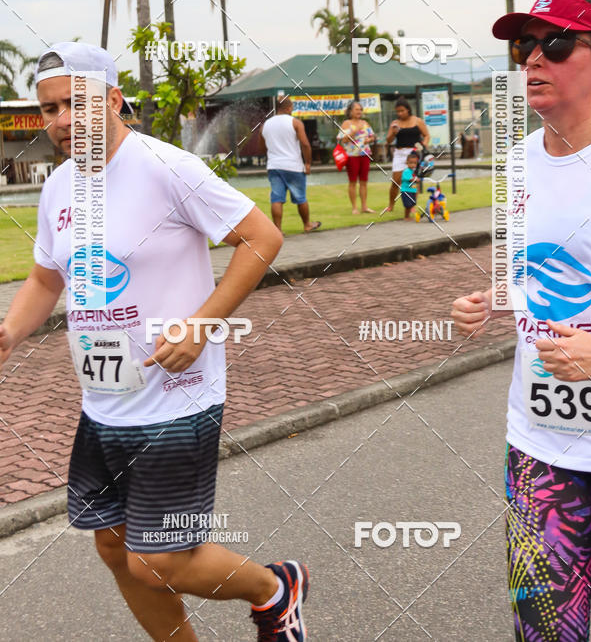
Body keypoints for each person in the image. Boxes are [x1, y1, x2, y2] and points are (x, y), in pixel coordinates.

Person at [0, 42, 309, 642]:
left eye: (75, 103)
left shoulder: (166, 167)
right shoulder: (59, 186)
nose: (61, 120)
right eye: (49, 109)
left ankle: (276, 589)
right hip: (103, 402)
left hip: (177, 398)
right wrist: (11, 329)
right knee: (115, 551)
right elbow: (45, 278)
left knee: (158, 559)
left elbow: (262, 237)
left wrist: (203, 323)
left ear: (114, 100)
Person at [451, 0, 591, 641]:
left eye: (557, 44)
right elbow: (523, 271)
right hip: (542, 446)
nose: (535, 59)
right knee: (541, 630)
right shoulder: (517, 164)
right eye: (524, 46)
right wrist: (491, 301)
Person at [259, 96, 321, 234]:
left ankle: (277, 230)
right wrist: (308, 163)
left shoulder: (265, 125)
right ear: (288, 107)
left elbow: (262, 148)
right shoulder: (295, 122)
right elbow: (305, 144)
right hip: (293, 166)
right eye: (292, 107)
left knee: (276, 198)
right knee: (300, 198)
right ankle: (307, 225)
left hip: (274, 166)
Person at [385, 98, 430, 212]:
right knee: (396, 181)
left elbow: (426, 135)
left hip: (413, 153)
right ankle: (391, 205)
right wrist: (393, 134)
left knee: (413, 180)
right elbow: (388, 140)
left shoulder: (417, 121)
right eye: (398, 111)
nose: (400, 113)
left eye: (402, 111)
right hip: (400, 153)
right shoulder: (395, 124)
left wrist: (423, 145)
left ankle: (412, 206)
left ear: (408, 109)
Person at [336, 100, 376, 215]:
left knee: (364, 181)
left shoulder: (365, 123)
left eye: (360, 110)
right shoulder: (346, 124)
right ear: (350, 111)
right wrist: (353, 132)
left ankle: (364, 206)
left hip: (365, 154)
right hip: (352, 156)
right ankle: (354, 207)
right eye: (357, 109)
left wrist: (370, 139)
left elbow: (372, 136)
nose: (359, 112)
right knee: (352, 182)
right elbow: (343, 140)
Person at [399, 151, 419, 220]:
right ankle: (406, 217)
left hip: (412, 190)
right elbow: (410, 179)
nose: (413, 165)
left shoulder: (414, 171)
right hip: (406, 190)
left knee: (412, 203)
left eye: (415, 163)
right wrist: (415, 179)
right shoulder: (406, 171)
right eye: (411, 163)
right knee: (408, 205)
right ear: (407, 163)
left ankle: (409, 215)